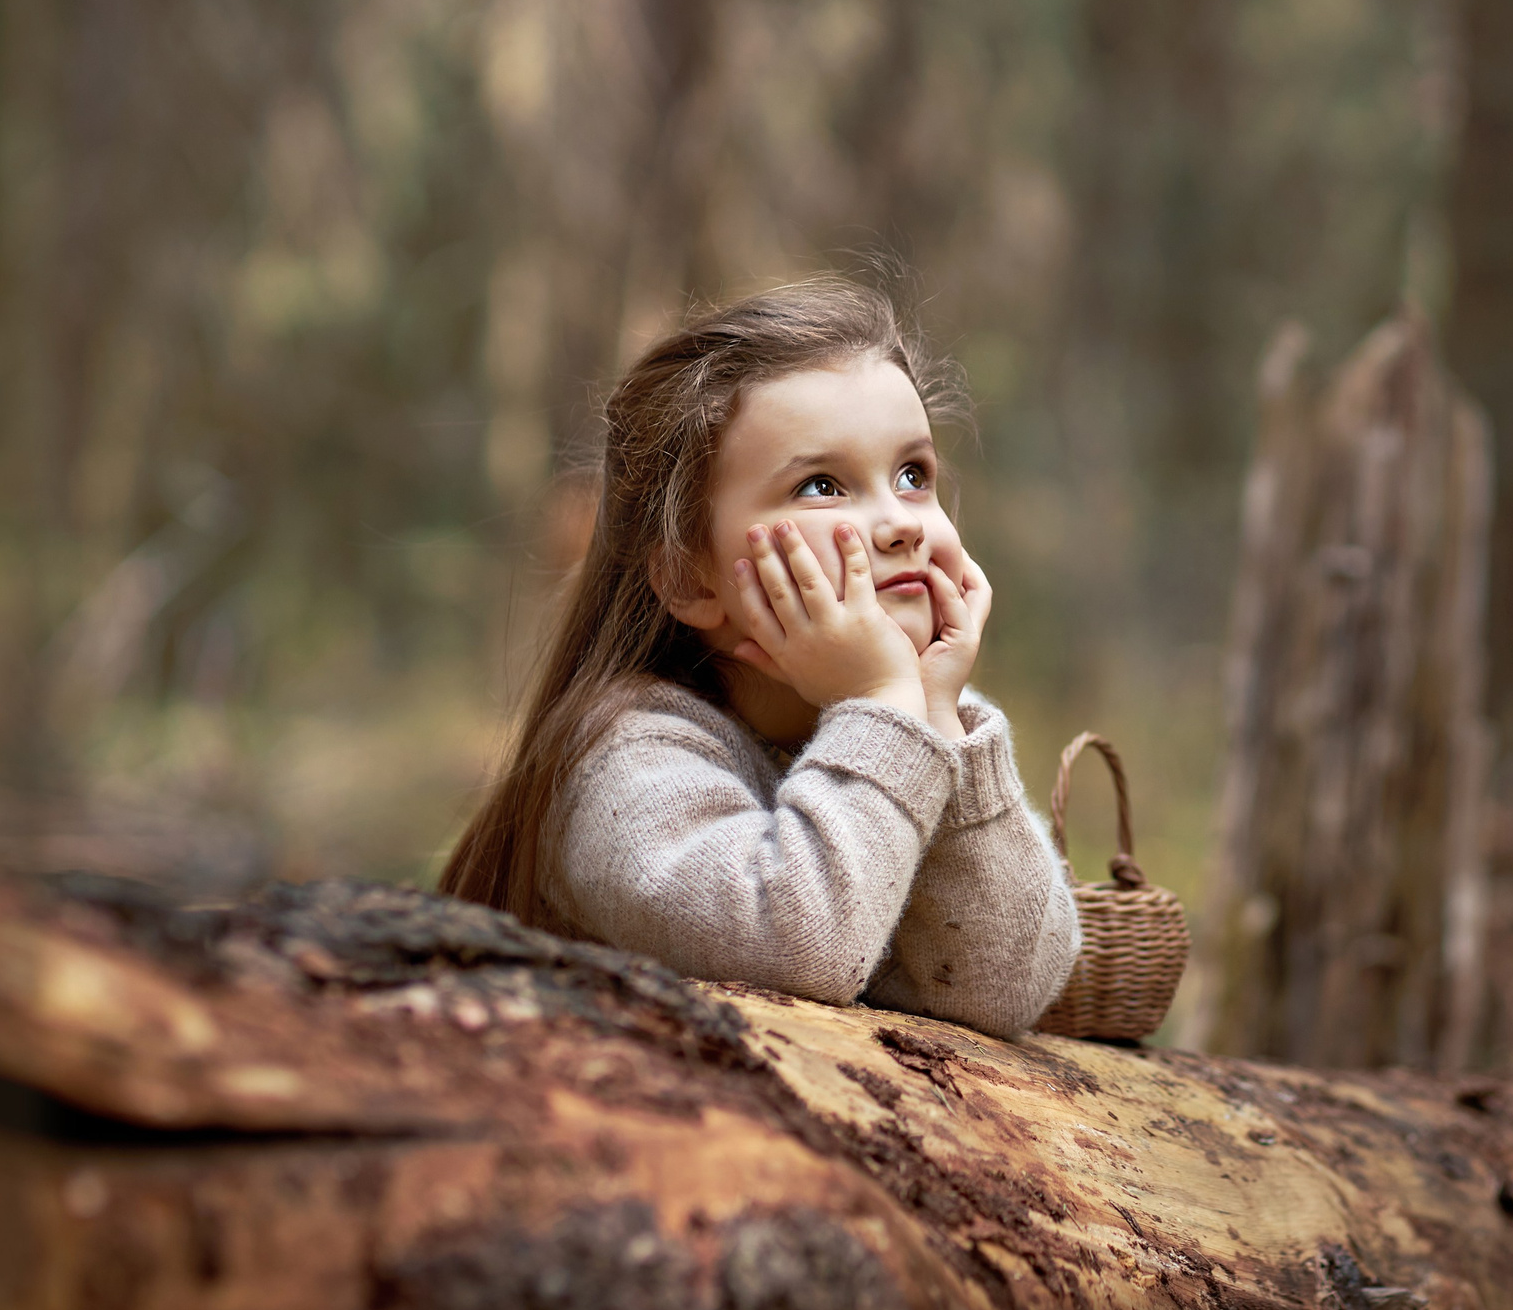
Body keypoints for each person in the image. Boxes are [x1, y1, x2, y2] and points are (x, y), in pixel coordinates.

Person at [438, 279, 1078, 1036]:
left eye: (913, 474)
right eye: (822, 485)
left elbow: (998, 988)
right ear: (687, 574)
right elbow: (806, 945)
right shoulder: (623, 768)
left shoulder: (888, 720)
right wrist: (881, 703)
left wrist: (935, 712)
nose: (900, 522)